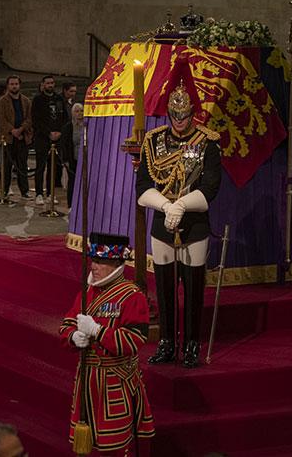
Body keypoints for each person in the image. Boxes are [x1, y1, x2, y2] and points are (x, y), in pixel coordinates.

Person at [137, 83, 221, 368]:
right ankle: (167, 342)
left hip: (194, 222)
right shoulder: (153, 141)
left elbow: (211, 186)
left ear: (193, 114)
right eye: (175, 115)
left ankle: (192, 343)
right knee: (165, 287)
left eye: (184, 115)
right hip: (163, 221)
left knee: (194, 287)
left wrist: (183, 205)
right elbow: (143, 185)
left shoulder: (207, 142)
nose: (179, 121)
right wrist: (167, 206)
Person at [59, 232, 154, 455]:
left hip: (114, 383)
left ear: (116, 264)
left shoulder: (132, 296)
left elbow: (134, 340)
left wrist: (98, 332)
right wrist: (72, 336)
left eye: (101, 261)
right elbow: (66, 324)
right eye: (94, 260)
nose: (94, 266)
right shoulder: (87, 292)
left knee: (114, 446)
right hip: (87, 381)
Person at [31, 75, 68, 205]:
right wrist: (48, 133)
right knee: (40, 166)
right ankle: (39, 193)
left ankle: (51, 193)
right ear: (43, 84)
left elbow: (64, 118)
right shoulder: (38, 99)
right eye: (48, 83)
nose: (50, 85)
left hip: (57, 138)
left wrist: (60, 132)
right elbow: (35, 120)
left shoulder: (59, 99)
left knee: (53, 167)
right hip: (42, 138)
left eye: (52, 83)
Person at [0, 75, 32, 199]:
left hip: (22, 137)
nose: (14, 86)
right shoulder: (2, 101)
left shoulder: (26, 101)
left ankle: (24, 191)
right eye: (12, 84)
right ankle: (4, 190)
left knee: (22, 165)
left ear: (19, 85)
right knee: (6, 166)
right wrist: (12, 130)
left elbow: (29, 118)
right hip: (8, 138)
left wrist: (21, 129)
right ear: (8, 86)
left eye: (16, 84)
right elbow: (1, 119)